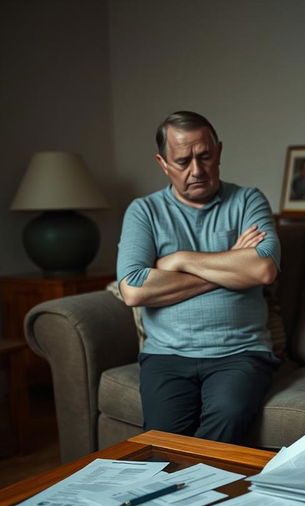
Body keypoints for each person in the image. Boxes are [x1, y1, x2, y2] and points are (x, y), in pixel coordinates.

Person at [117, 110, 280, 443]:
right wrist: (232, 260)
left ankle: (193, 488)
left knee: (229, 415)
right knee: (162, 440)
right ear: (163, 163)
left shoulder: (248, 200)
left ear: (218, 151)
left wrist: (178, 260)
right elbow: (133, 290)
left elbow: (262, 269)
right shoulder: (144, 211)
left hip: (241, 352)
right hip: (166, 355)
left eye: (205, 156)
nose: (197, 170)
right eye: (183, 161)